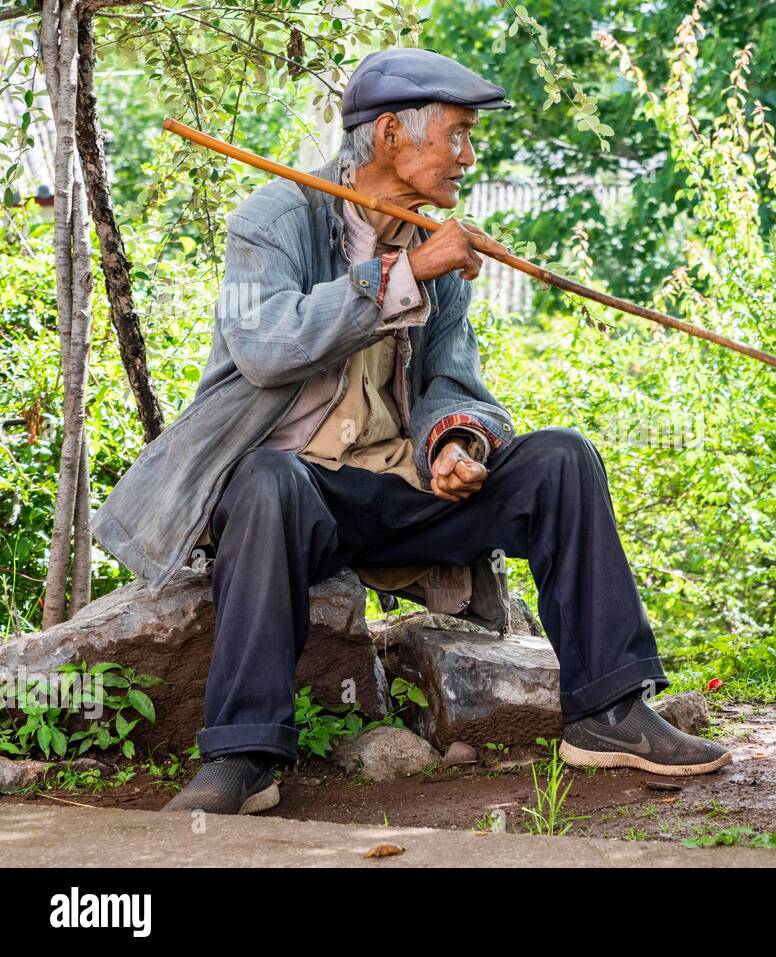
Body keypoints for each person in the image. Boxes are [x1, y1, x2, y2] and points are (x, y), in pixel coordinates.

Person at [91, 49, 731, 816]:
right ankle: (242, 755)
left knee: (563, 460)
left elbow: (453, 383)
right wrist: (403, 275)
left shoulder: (433, 243)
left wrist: (454, 443)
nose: (469, 155)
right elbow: (264, 348)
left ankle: (609, 712)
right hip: (296, 495)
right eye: (457, 135)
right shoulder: (275, 219)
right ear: (391, 133)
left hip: (396, 487)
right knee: (265, 480)